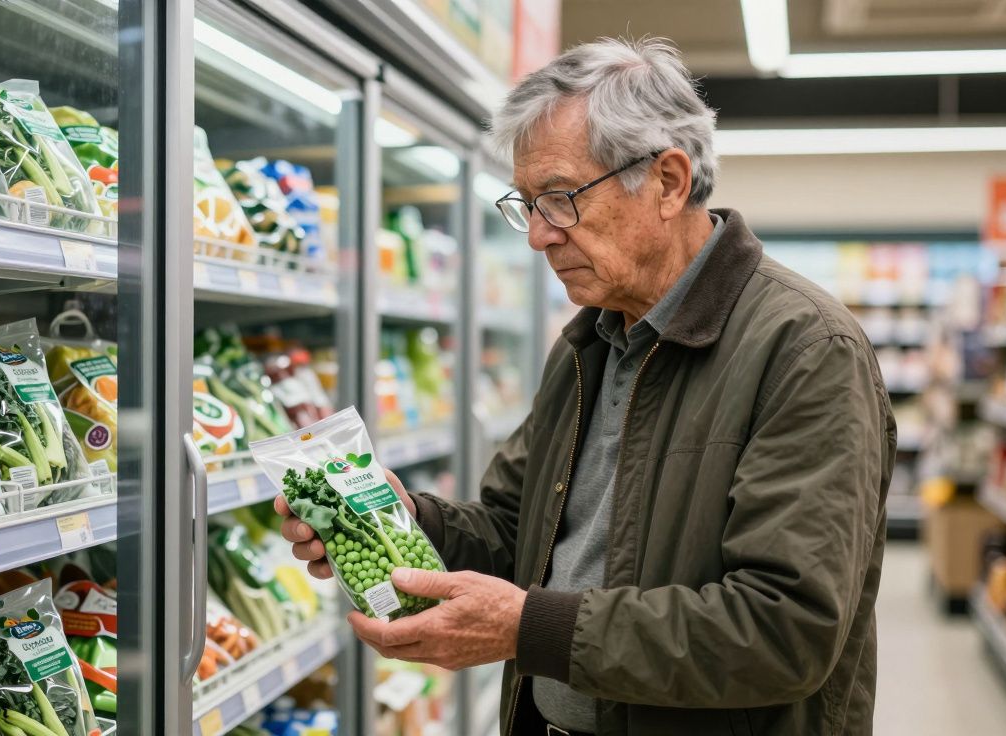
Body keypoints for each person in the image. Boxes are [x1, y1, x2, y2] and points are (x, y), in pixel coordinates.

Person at [277, 36, 892, 735]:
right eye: (528, 205)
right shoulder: (590, 343)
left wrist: (528, 629)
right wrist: (402, 524)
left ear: (668, 182)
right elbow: (516, 530)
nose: (538, 236)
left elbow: (785, 629)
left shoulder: (805, 350)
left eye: (561, 199)